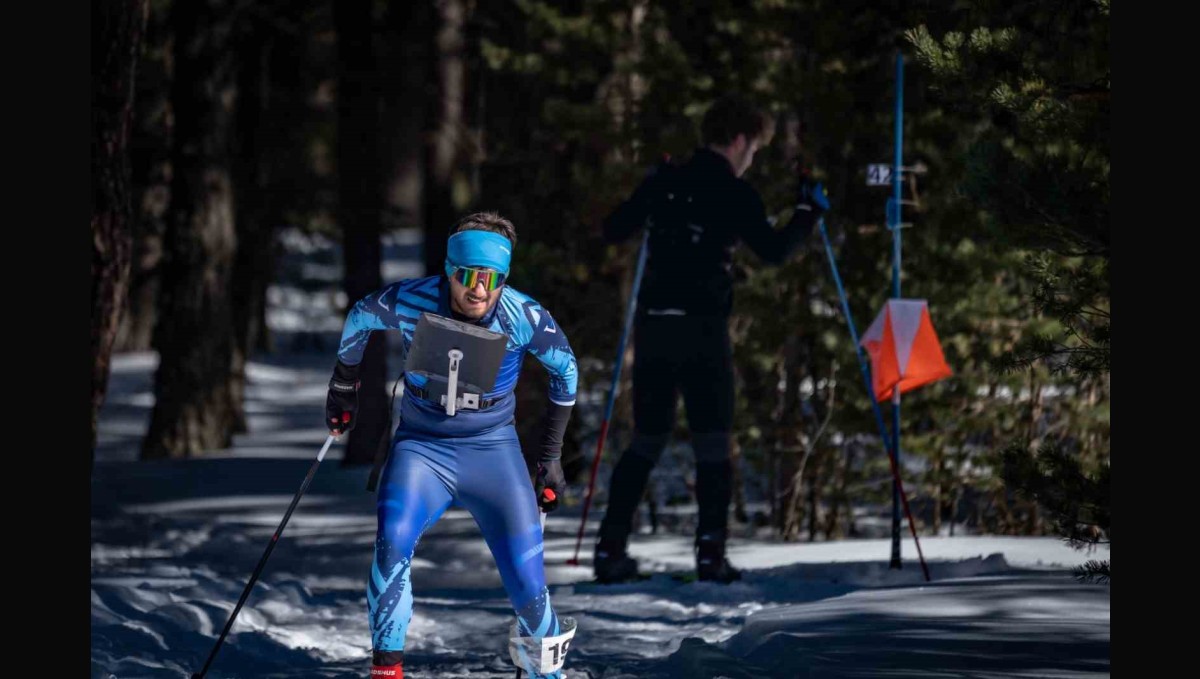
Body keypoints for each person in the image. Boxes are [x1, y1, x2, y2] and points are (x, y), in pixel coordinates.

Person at [325, 212, 578, 678]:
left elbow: (566, 370)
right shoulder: (413, 299)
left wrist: (549, 457)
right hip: (423, 448)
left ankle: (550, 673)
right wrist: (344, 386)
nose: (478, 290)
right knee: (392, 542)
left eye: (491, 278)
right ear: (449, 269)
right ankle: (387, 671)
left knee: (527, 580)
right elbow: (360, 315)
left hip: (493, 450)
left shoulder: (523, 315)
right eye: (467, 276)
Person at [594, 94, 830, 584]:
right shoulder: (733, 191)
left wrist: (651, 189)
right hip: (702, 332)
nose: (752, 159)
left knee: (647, 439)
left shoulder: (668, 181)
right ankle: (710, 554)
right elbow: (773, 250)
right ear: (740, 140)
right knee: (714, 442)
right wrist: (808, 211)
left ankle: (610, 549)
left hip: (656, 326)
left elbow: (614, 229)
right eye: (755, 150)